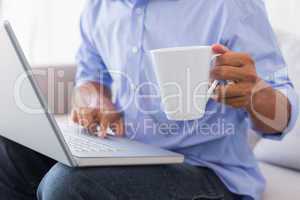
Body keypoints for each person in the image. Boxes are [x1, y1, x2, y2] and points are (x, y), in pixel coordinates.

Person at [0, 0, 298, 200]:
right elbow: (91, 76)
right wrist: (97, 102)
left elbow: (281, 121)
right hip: (125, 152)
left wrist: (255, 93)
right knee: (10, 147)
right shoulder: (100, 7)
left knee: (67, 184)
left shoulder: (230, 5)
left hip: (210, 173)